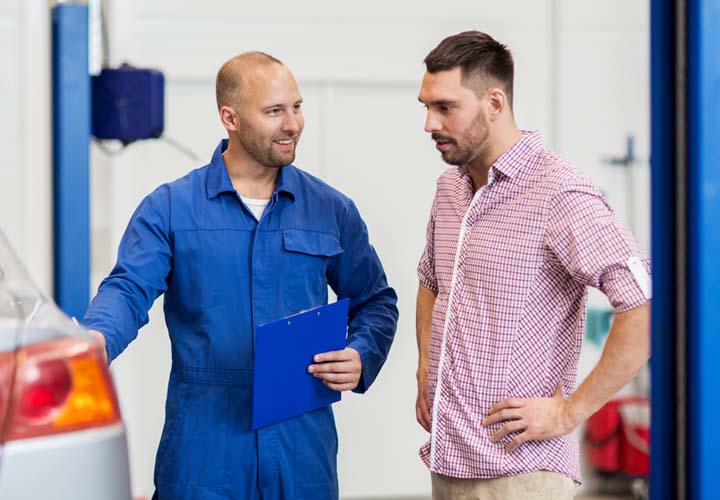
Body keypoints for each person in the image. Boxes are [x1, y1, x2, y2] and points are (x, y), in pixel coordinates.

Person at [83, 52, 398, 500]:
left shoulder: (330, 209)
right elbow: (128, 288)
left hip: (300, 444)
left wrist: (362, 353)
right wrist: (96, 340)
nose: (293, 123)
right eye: (274, 111)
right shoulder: (172, 208)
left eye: (297, 106)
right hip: (205, 444)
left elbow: (375, 300)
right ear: (229, 117)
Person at [415, 31, 650, 499]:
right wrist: (426, 367)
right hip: (448, 461)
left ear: (494, 103)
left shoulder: (558, 192)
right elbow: (431, 282)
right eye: (425, 106)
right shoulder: (450, 191)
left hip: (522, 474)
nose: (429, 123)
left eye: (445, 107)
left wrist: (568, 413)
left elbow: (644, 307)